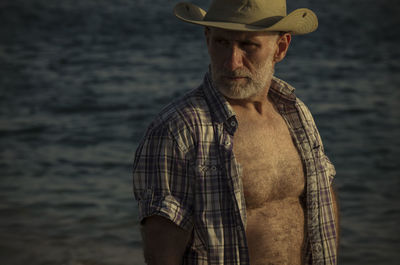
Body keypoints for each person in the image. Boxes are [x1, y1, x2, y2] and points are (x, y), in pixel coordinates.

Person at [132, 0, 339, 264]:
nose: (232, 62)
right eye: (221, 43)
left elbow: (323, 199)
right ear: (207, 39)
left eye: (248, 45)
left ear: (281, 47)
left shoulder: (297, 113)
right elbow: (162, 254)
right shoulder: (178, 130)